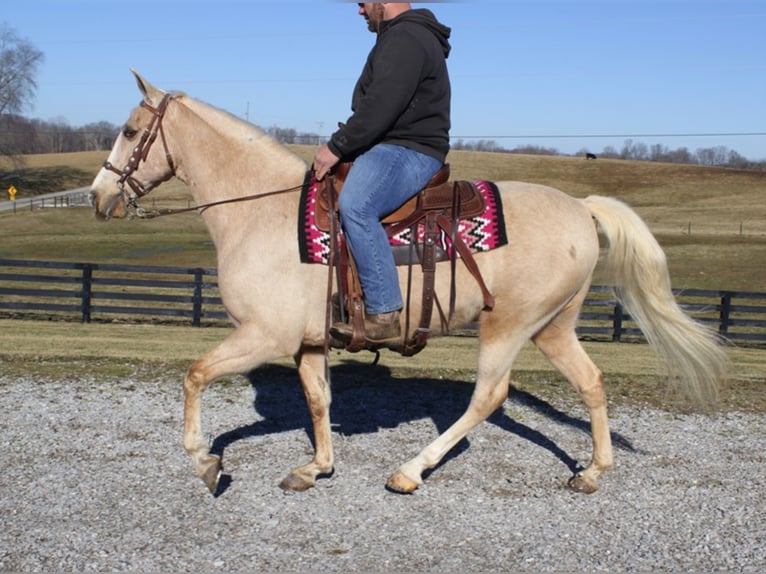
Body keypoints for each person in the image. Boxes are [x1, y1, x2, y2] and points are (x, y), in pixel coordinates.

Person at [313, 2, 452, 345]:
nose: (359, 11)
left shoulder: (407, 37)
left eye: (362, 3)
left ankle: (384, 313)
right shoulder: (400, 36)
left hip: (407, 148)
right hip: (391, 145)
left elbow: (381, 106)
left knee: (357, 205)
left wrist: (337, 146)